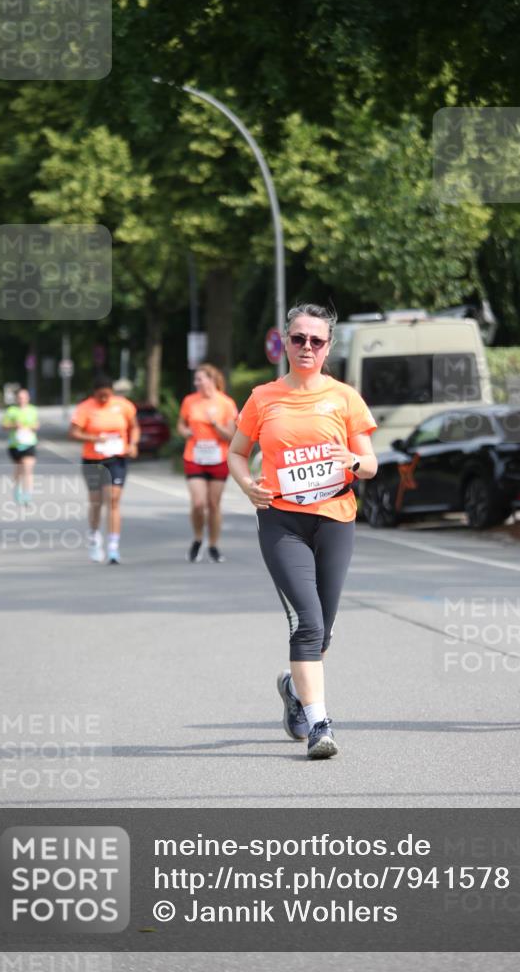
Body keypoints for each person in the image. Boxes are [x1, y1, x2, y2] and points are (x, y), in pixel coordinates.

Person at [228, 304, 378, 759]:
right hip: (281, 519)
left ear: (329, 346)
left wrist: (353, 461)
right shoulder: (263, 398)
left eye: (316, 340)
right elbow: (237, 452)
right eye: (298, 339)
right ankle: (320, 725)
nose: (307, 347)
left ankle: (295, 688)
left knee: (323, 629)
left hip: (335, 518)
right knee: (307, 624)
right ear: (285, 342)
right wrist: (246, 484)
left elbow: (370, 463)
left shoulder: (345, 397)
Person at [69, 374, 140, 565]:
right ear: (94, 393)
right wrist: (93, 439)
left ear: (112, 392)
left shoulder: (123, 405)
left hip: (117, 458)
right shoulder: (85, 408)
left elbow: (134, 427)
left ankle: (113, 547)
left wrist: (133, 444)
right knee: (96, 502)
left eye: (107, 395)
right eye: (100, 395)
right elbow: (74, 432)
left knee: (114, 500)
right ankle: (94, 537)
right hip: (93, 460)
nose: (103, 399)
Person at [177, 363, 238, 564]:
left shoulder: (226, 403)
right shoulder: (190, 401)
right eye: (195, 379)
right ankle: (197, 539)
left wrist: (215, 424)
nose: (196, 383)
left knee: (213, 504)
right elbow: (181, 424)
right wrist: (185, 432)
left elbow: (232, 435)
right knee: (198, 503)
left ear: (211, 379)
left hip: (218, 457)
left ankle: (213, 545)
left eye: (199, 379)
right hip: (194, 456)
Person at [1, 387, 39, 504]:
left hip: (29, 443)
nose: (22, 400)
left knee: (28, 469)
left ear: (28, 398)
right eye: (20, 398)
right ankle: (17, 489)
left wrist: (31, 427)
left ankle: (28, 494)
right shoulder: (11, 410)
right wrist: (14, 426)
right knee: (19, 469)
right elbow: (3, 426)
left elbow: (36, 425)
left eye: (24, 397)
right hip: (15, 445)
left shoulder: (32, 410)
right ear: (17, 399)